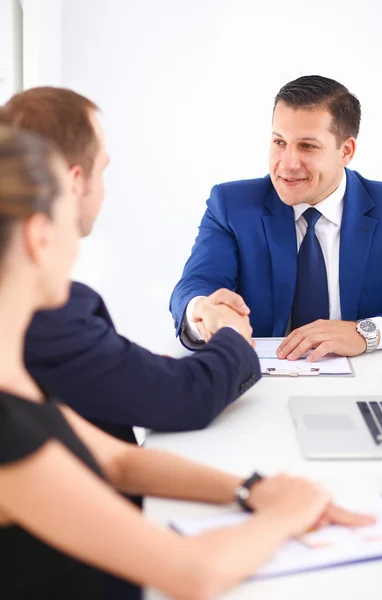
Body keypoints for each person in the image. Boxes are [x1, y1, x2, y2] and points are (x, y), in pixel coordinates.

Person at [0, 125, 373, 600]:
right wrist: (290, 510)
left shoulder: (12, 377)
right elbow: (192, 573)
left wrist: (252, 490)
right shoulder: (7, 428)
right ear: (38, 237)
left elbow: (116, 460)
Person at [0, 87, 258, 450]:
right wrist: (232, 334)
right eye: (102, 170)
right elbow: (184, 397)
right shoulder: (48, 313)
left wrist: (141, 371)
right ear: (74, 181)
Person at [170, 75, 382, 362]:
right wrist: (203, 309)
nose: (288, 163)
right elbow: (196, 283)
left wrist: (366, 332)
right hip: (262, 381)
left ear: (346, 151)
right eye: (279, 142)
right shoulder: (232, 206)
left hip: (368, 380)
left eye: (307, 146)